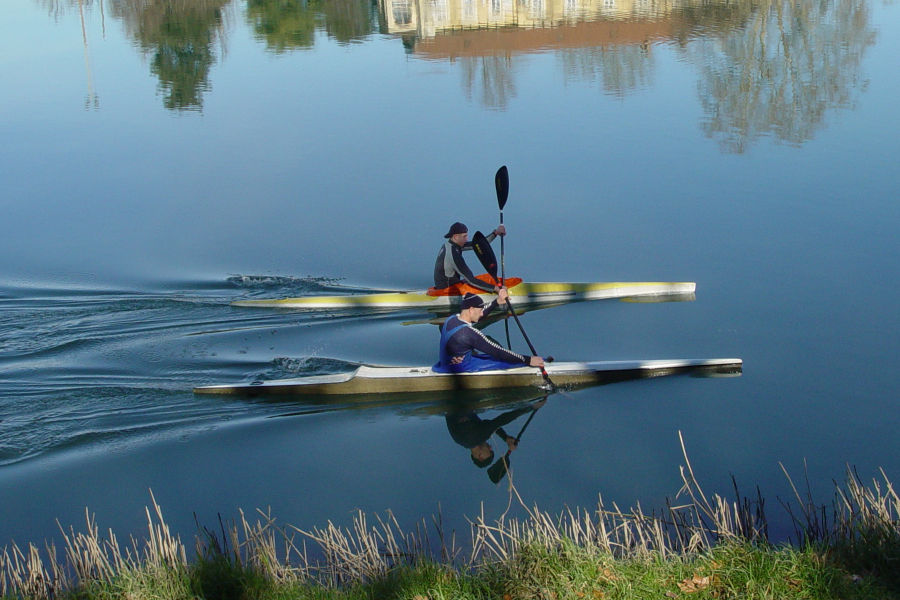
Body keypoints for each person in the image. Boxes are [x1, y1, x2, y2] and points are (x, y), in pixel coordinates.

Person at [433, 291, 545, 373]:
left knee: (487, 356)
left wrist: (496, 302)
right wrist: (528, 360)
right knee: (505, 360)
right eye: (480, 310)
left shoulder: (451, 319)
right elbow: (497, 351)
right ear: (471, 309)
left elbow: (479, 317)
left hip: (444, 365)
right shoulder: (469, 334)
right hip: (462, 369)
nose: (482, 313)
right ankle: (541, 361)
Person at [445, 399, 544, 468]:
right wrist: (505, 438)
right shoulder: (462, 440)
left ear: (480, 457)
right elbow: (490, 425)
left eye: (490, 452)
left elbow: (500, 421)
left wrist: (531, 407)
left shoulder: (474, 439)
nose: (491, 448)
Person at [433, 221, 505, 293]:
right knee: (479, 282)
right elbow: (470, 280)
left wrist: (496, 233)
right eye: (464, 236)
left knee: (486, 278)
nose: (466, 239)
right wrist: (495, 288)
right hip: (448, 291)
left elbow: (480, 245)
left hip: (450, 285)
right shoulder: (453, 254)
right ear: (455, 237)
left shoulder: (451, 245)